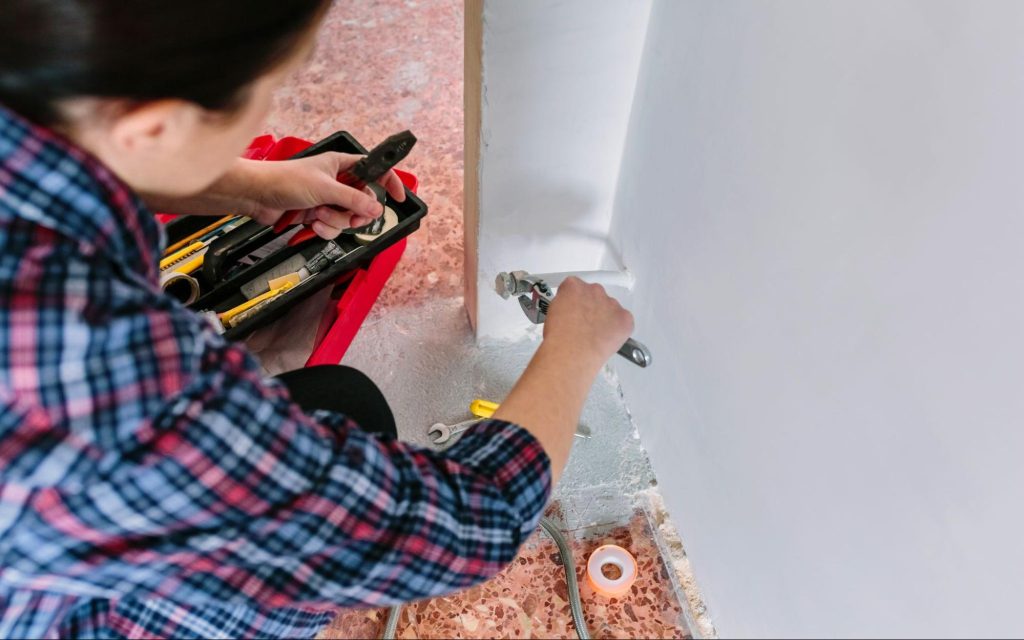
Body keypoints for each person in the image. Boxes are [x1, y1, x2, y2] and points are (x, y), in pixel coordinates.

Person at [0, 1, 635, 638]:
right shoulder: (112, 384)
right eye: (268, 87)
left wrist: (248, 187)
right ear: (155, 125)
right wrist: (574, 350)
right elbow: (470, 523)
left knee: (340, 399)